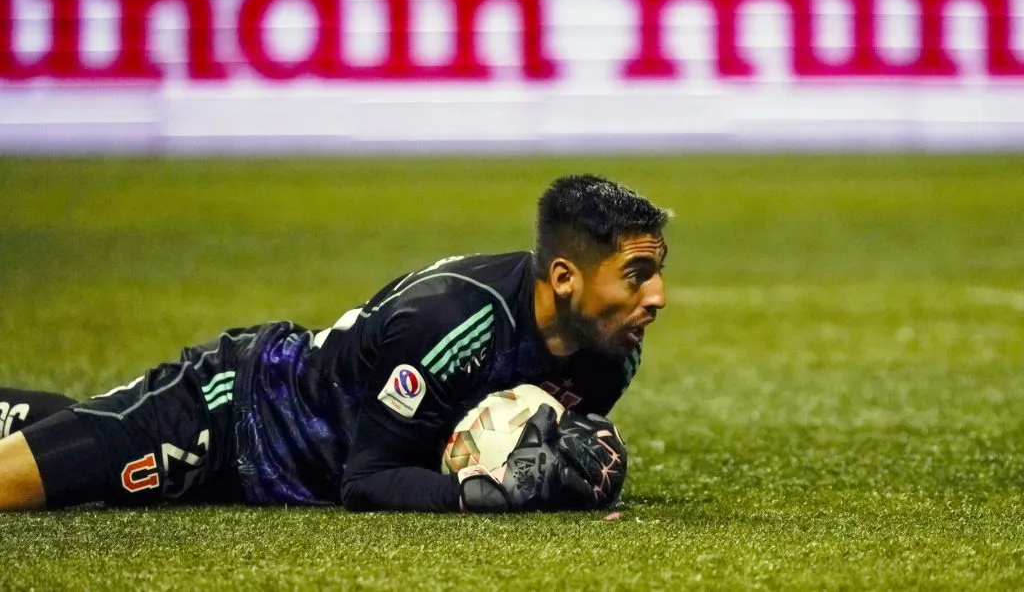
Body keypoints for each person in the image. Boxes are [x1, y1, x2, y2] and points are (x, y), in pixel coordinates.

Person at [0, 174, 670, 513]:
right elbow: (368, 478)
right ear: (563, 277)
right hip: (233, 416)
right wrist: (481, 494)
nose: (657, 295)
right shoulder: (448, 321)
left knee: (74, 436)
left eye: (658, 270)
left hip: (284, 478)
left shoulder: (613, 348)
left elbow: (485, 441)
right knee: (25, 481)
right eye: (636, 275)